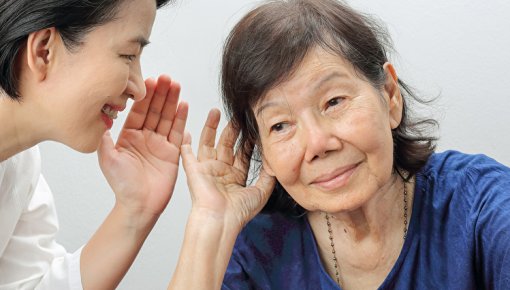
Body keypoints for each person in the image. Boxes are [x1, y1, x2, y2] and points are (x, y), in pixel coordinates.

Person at [169, 0, 510, 289]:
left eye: (334, 101)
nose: (317, 143)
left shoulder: (479, 204)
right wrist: (209, 223)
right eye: (281, 125)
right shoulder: (255, 248)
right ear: (265, 152)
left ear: (390, 97)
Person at [0, 0, 189, 289]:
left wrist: (135, 210)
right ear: (44, 51)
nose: (138, 88)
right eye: (128, 55)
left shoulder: (20, 168)